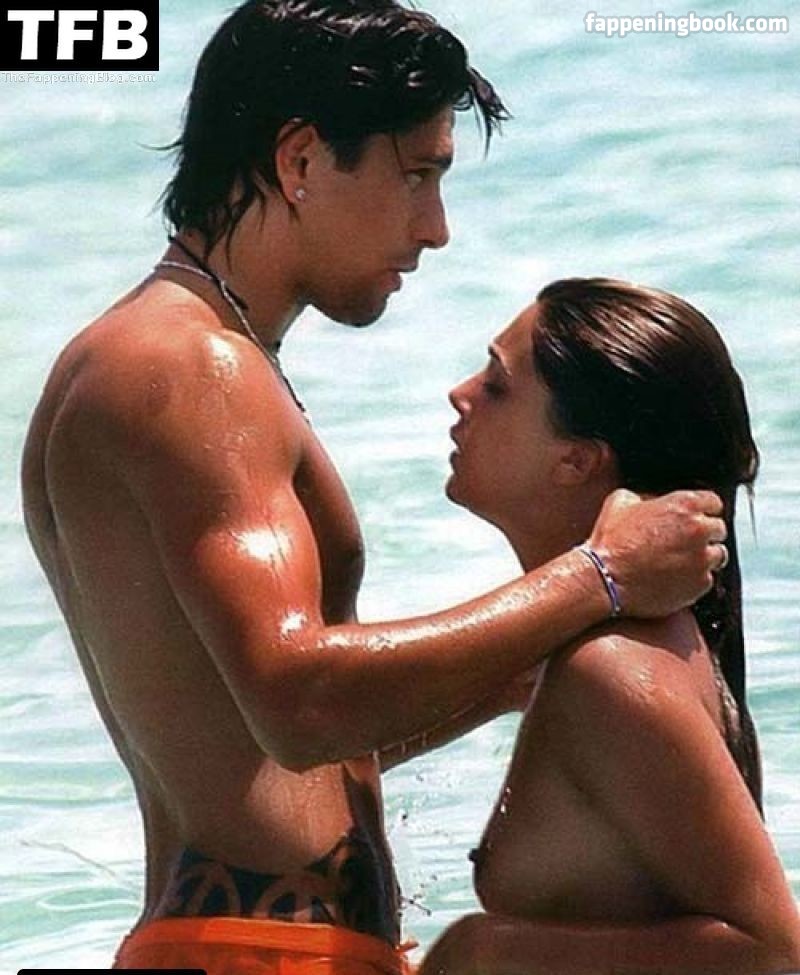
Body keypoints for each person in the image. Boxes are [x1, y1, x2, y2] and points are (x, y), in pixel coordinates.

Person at [21, 0, 728, 971]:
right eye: (418, 175)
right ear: (301, 160)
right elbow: (298, 701)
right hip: (261, 954)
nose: (434, 229)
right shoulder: (192, 368)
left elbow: (246, 741)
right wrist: (598, 576)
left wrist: (505, 678)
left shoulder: (165, 355)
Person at [420, 278, 800, 975]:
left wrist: (484, 951)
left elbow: (775, 955)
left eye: (497, 385)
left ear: (577, 460)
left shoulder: (616, 668)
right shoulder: (599, 650)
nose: (460, 393)